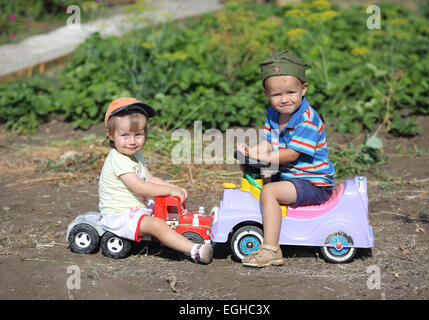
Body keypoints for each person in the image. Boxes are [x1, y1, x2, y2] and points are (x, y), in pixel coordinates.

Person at [237, 50, 335, 267]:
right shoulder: (273, 114)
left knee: (270, 190)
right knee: (258, 171)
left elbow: (292, 154)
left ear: (303, 89)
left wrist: (261, 156)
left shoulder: (307, 119)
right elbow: (269, 142)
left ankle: (271, 248)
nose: (284, 100)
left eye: (291, 92)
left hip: (313, 182)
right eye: (276, 95)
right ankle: (264, 214)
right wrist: (251, 152)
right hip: (291, 175)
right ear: (267, 94)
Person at [98, 97, 213, 264]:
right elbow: (141, 188)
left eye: (138, 134)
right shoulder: (117, 160)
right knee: (157, 224)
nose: (132, 141)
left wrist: (173, 187)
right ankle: (194, 250)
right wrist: (169, 191)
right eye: (125, 135)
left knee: (169, 215)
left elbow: (150, 179)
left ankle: (180, 236)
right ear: (111, 134)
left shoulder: (135, 156)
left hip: (136, 208)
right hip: (119, 214)